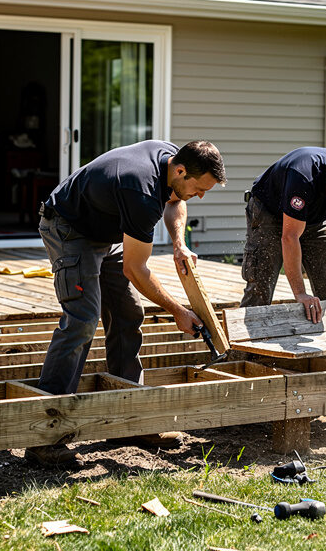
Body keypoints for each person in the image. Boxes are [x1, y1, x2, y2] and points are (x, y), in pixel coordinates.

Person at [30, 140, 226, 466]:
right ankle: (45, 434)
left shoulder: (173, 159)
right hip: (69, 228)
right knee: (82, 320)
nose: (201, 196)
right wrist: (178, 311)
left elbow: (176, 199)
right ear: (180, 171)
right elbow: (135, 269)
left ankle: (128, 421)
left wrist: (179, 243)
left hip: (105, 230)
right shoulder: (142, 192)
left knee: (127, 312)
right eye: (200, 189)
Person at [241, 147, 326, 322]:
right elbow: (290, 237)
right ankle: (245, 338)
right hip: (270, 213)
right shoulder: (303, 176)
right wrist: (300, 293)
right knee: (261, 285)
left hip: (315, 219)